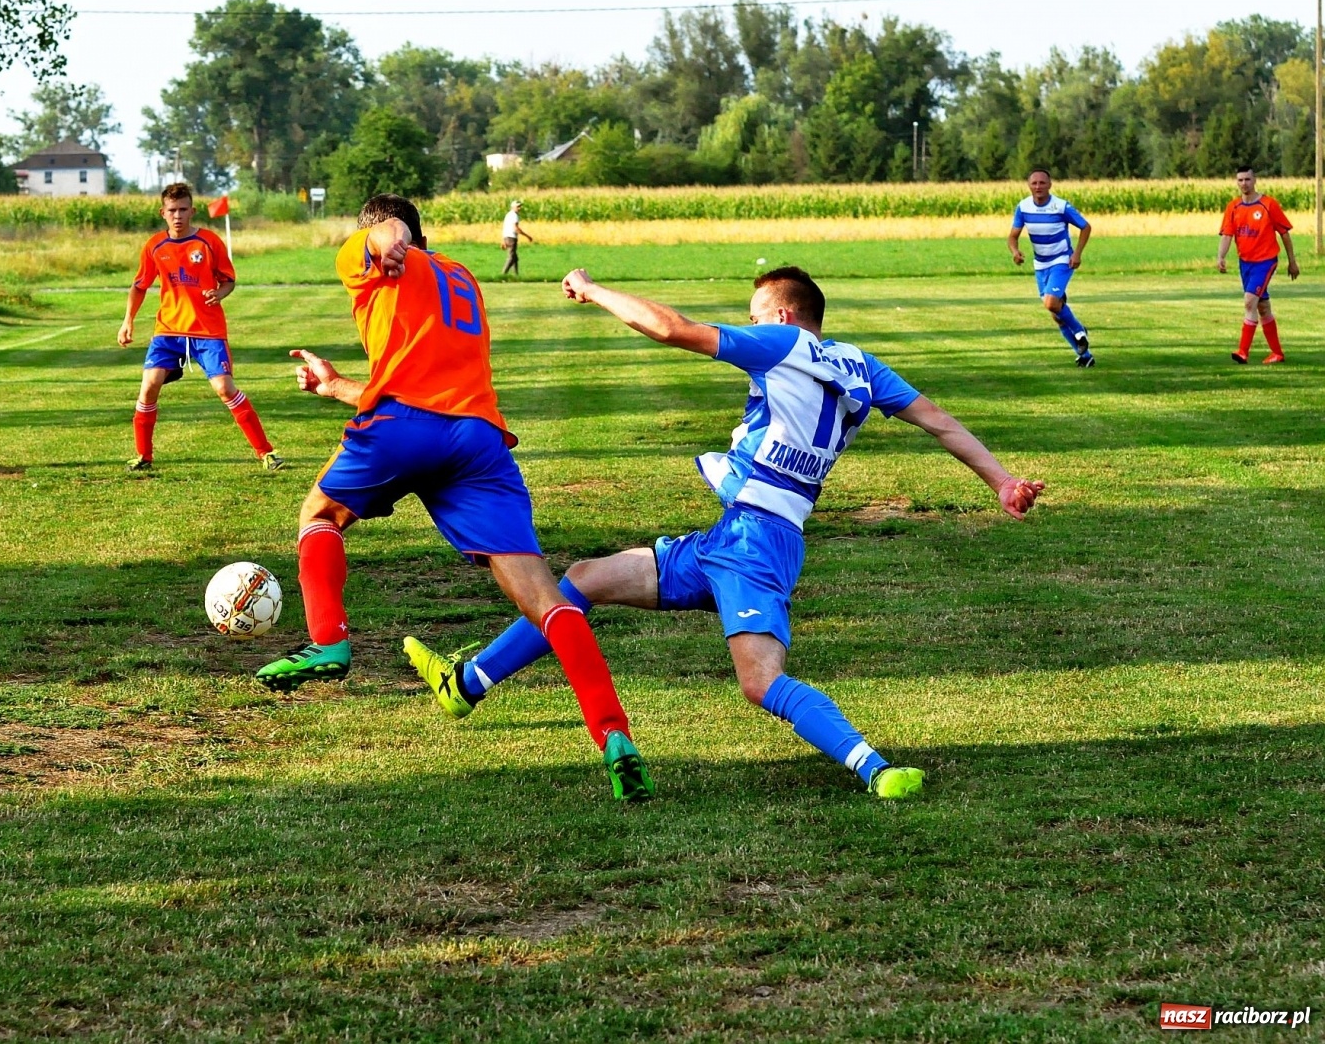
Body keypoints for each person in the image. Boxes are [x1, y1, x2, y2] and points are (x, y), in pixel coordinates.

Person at [404, 265, 1045, 800]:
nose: (751, 325)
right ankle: (468, 685)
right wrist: (1000, 482)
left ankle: (875, 770)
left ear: (785, 318)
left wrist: (592, 289)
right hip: (737, 535)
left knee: (760, 681)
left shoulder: (784, 345)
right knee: (583, 580)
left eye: (756, 314)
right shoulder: (862, 366)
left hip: (755, 542)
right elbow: (938, 422)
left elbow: (670, 328)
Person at [258, 192, 654, 802]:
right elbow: (422, 380)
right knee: (545, 597)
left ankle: (328, 641)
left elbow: (382, 235)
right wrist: (338, 386)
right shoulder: (463, 277)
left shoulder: (378, 252)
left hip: (402, 429)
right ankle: (613, 734)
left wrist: (386, 240)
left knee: (320, 515)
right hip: (477, 440)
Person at [117, 182, 282, 472]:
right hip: (168, 331)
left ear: (192, 211)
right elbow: (139, 285)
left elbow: (228, 279)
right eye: (172, 210)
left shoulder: (208, 242)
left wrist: (220, 293)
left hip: (207, 331)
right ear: (163, 213)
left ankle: (266, 452)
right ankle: (144, 455)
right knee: (148, 388)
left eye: (183, 209)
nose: (178, 215)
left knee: (224, 388)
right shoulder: (155, 245)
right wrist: (127, 321)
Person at [1008, 168, 1094, 367]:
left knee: (1051, 303)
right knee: (1057, 315)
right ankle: (1085, 356)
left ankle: (1080, 331)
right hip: (1041, 264)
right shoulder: (1023, 207)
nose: (1038, 186)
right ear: (1029, 185)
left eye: (1042, 183)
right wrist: (1015, 252)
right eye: (1034, 183)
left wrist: (1077, 253)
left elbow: (1085, 226)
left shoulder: (1060, 206)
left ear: (1050, 185)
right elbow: (1012, 236)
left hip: (1061, 260)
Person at [1217, 166, 1298, 365]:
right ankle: (1277, 353)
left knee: (1249, 301)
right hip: (1246, 264)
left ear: (1255, 181)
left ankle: (1243, 352)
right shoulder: (1233, 207)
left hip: (1266, 261)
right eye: (1240, 180)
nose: (1244, 184)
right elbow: (1228, 234)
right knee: (1262, 307)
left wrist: (1292, 261)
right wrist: (1221, 256)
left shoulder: (1268, 204)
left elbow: (1284, 234)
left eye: (1247, 179)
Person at [500, 200, 533, 278]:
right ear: (513, 207)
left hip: (507, 237)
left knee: (515, 258)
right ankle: (503, 274)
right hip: (511, 238)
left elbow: (504, 228)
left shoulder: (508, 215)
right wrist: (527, 236)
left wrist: (503, 240)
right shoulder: (514, 215)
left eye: (520, 206)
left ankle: (516, 275)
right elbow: (516, 229)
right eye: (518, 206)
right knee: (511, 257)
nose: (519, 208)